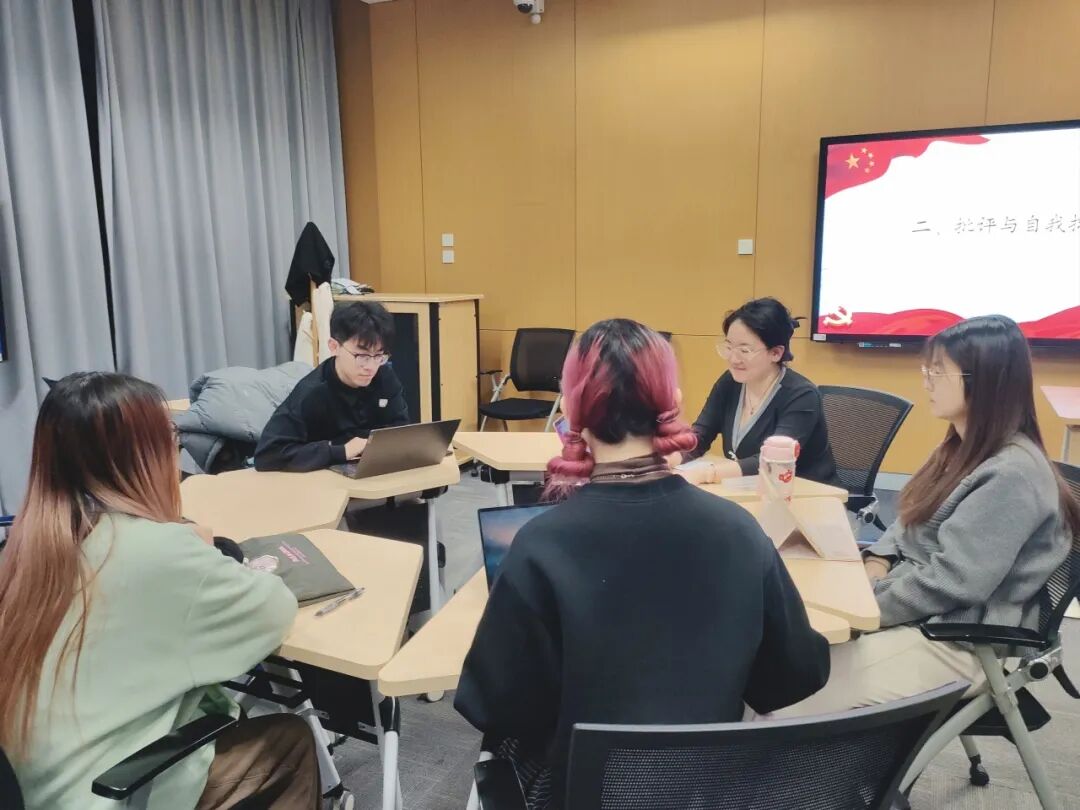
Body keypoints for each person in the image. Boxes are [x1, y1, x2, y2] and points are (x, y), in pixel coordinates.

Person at [454, 319, 830, 809]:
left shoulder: (541, 544)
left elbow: (492, 704)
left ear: (570, 410)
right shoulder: (738, 531)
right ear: (672, 400)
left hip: (580, 794)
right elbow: (795, 674)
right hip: (705, 792)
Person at [0, 372, 316, 809]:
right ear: (141, 457)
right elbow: (273, 610)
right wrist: (199, 547)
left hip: (37, 785)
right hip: (104, 792)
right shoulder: (158, 550)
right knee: (289, 740)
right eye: (172, 440)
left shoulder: (27, 545)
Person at [778, 315, 1078, 716]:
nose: (927, 382)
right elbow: (909, 516)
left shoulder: (1012, 474)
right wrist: (878, 561)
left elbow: (951, 583)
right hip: (918, 616)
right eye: (927, 370)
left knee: (784, 692)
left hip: (957, 641)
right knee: (781, 657)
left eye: (938, 372)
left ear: (985, 381)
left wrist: (862, 606)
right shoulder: (960, 446)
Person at [676, 297, 839, 486]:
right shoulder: (730, 382)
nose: (733, 359)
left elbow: (772, 461)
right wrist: (668, 459)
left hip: (806, 493)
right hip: (752, 488)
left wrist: (706, 473)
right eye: (729, 347)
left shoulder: (802, 395)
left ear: (776, 353)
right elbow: (701, 435)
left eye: (744, 351)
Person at [255, 300, 411, 472]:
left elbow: (401, 431)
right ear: (334, 347)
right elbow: (268, 455)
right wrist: (340, 451)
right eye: (362, 356)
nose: (371, 367)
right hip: (321, 479)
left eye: (379, 356)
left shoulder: (384, 377)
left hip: (371, 472)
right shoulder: (312, 392)